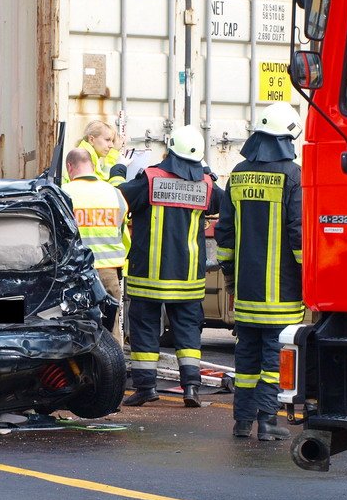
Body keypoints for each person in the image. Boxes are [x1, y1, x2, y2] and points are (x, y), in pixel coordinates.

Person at [215, 102, 304, 441]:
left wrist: (231, 279)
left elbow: (225, 235)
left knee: (247, 360)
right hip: (282, 294)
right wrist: (307, 274)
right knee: (272, 361)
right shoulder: (293, 176)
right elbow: (298, 235)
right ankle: (267, 422)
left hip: (247, 293)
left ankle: (241, 423)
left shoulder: (237, 174)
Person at [117, 125, 220, 408]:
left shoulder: (149, 179)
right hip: (187, 279)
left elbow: (118, 197)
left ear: (169, 150)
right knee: (187, 333)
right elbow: (223, 203)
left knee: (145, 329)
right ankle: (191, 388)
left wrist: (117, 170)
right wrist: (208, 174)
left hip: (148, 277)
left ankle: (146, 388)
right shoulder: (206, 185)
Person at [61, 148, 127, 336]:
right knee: (111, 326)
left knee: (75, 326)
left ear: (69, 167)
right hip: (108, 270)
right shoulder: (114, 193)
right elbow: (121, 229)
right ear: (92, 165)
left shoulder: (63, 193)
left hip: (75, 272)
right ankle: (113, 364)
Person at [63, 120, 128, 185]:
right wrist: (113, 153)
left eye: (112, 141)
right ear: (91, 140)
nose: (111, 145)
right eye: (107, 140)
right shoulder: (85, 158)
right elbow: (102, 184)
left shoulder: (87, 154)